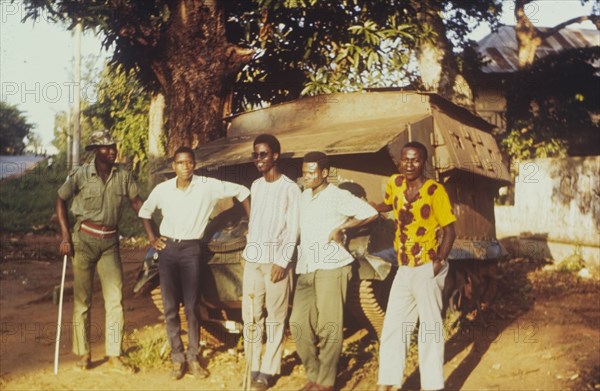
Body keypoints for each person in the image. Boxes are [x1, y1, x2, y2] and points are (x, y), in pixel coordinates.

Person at [138, 146, 250, 381]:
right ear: (174, 166)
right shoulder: (163, 189)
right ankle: (177, 358)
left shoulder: (207, 185)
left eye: (189, 163)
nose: (185, 167)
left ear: (194, 165)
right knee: (170, 308)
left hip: (192, 249)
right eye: (180, 163)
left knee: (191, 306)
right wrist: (152, 238)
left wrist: (253, 222)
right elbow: (145, 212)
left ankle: (193, 356)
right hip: (168, 250)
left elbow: (243, 191)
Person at [55, 130, 143, 373]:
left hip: (110, 243)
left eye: (113, 146)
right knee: (82, 301)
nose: (112, 150)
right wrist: (65, 236)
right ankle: (84, 354)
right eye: (106, 147)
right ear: (96, 150)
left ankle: (114, 354)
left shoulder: (123, 175)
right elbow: (60, 199)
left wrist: (154, 231)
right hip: (83, 241)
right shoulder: (80, 174)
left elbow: (137, 204)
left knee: (115, 300)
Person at [290, 152, 378, 391]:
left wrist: (343, 227)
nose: (307, 176)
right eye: (304, 172)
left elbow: (371, 213)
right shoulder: (304, 196)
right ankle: (314, 373)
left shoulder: (338, 195)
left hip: (332, 266)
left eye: (312, 172)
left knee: (330, 325)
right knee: (298, 323)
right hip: (307, 267)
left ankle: (326, 381)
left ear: (324, 173)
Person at [375, 141, 456, 391]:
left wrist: (438, 261)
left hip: (426, 267)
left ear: (424, 163)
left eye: (415, 160)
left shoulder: (435, 191)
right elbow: (389, 204)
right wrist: (367, 208)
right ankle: (388, 383)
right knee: (394, 326)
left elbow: (449, 231)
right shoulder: (395, 183)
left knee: (429, 329)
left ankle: (433, 386)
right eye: (405, 159)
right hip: (404, 267)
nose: (409, 164)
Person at [241, 134, 301, 391]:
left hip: (277, 264)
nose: (259, 159)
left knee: (276, 317)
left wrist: (282, 261)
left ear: (275, 155)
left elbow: (293, 229)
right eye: (255, 155)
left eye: (263, 154)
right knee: (252, 316)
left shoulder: (290, 188)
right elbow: (254, 224)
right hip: (254, 262)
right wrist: (248, 254)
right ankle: (252, 365)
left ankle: (268, 369)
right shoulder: (256, 186)